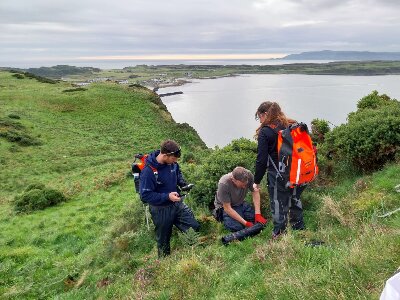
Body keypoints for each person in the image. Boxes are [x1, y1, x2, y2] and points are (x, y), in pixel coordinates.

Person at [253, 101, 306, 239]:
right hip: (295, 171)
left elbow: (261, 160)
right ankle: (298, 227)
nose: (260, 120)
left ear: (265, 114)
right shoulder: (289, 124)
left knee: (277, 203)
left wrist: (256, 181)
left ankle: (279, 233)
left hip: (277, 173)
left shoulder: (265, 132)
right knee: (294, 198)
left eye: (259, 116)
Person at [139, 140, 199, 257]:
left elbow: (177, 174)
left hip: (177, 204)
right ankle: (164, 264)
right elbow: (145, 195)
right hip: (160, 210)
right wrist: (167, 196)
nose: (175, 161)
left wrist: (183, 184)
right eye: (173, 158)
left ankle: (193, 254)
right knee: (163, 242)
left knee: (193, 227)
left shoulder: (173, 163)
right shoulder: (148, 171)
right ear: (165, 155)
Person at [213, 166, 267, 232]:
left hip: (240, 203)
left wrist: (258, 214)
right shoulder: (224, 184)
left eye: (245, 184)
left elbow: (255, 191)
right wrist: (246, 223)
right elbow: (227, 208)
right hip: (225, 208)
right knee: (237, 227)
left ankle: (243, 216)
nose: (244, 187)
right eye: (242, 185)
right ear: (234, 180)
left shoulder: (248, 175)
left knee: (255, 219)